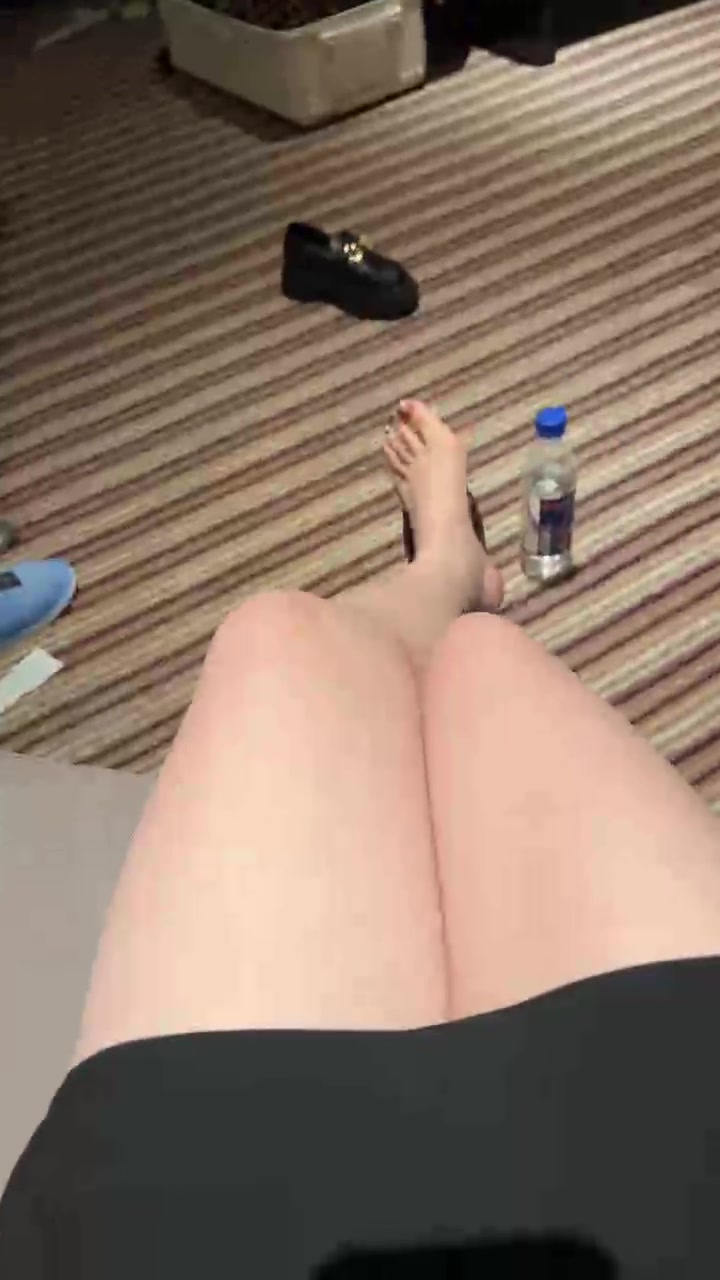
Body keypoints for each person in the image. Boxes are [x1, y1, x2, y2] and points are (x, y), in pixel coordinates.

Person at [0, 401, 718, 1277]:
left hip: (193, 1203)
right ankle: (452, 578)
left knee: (283, 633)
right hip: (679, 1153)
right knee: (482, 665)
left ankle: (446, 572)